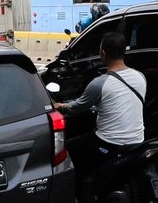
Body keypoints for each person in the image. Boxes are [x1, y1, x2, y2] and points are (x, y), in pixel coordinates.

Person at [53, 31, 146, 203]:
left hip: (110, 145)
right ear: (123, 52)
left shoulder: (100, 83)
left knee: (70, 148)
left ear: (103, 53)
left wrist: (60, 106)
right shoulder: (140, 77)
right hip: (138, 142)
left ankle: (78, 197)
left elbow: (76, 107)